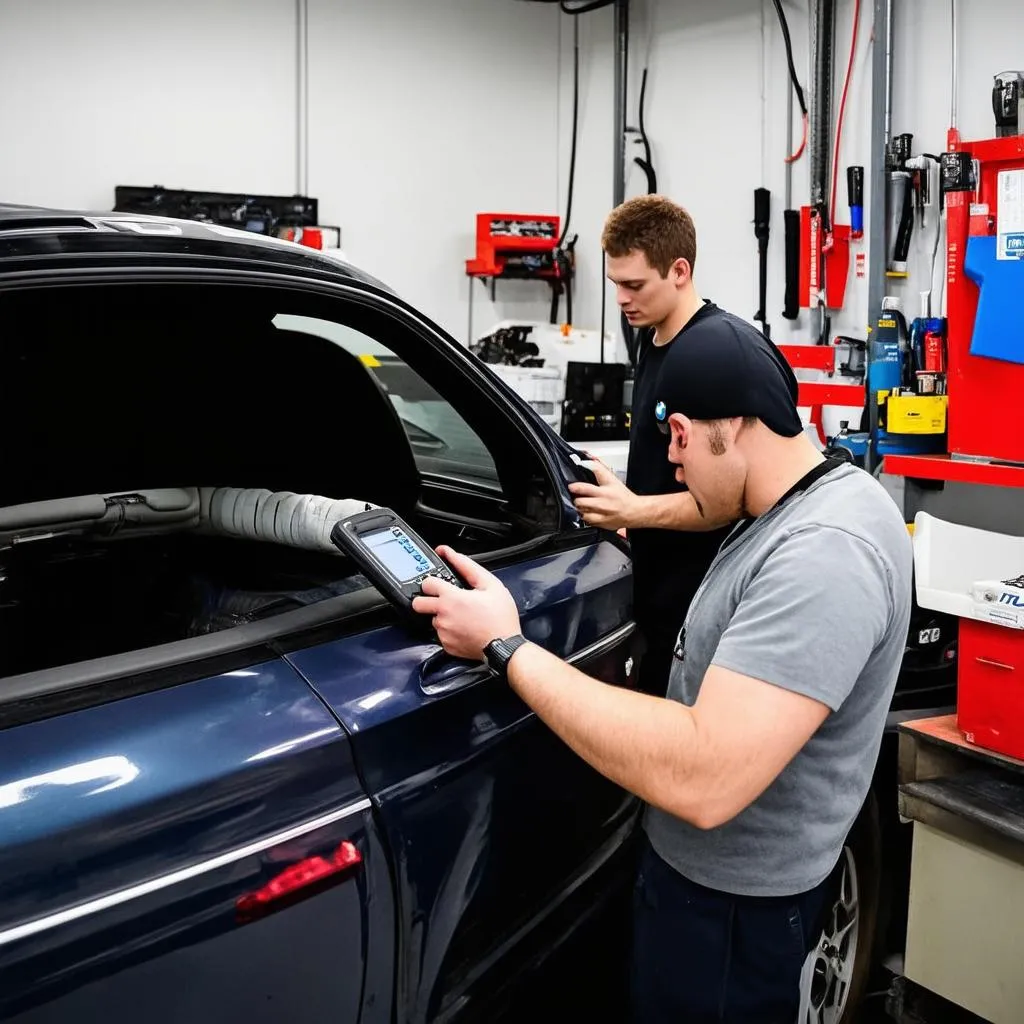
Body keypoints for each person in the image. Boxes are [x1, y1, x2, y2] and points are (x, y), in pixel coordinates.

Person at [411, 322, 913, 1022]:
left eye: (678, 435)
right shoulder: (809, 497)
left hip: (730, 915)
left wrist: (506, 647)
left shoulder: (825, 556)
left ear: (732, 426)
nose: (671, 459)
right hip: (719, 893)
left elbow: (705, 776)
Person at [569, 194, 801, 698]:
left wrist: (635, 509)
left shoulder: (723, 356)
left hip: (707, 607)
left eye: (634, 285)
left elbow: (737, 500)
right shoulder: (652, 340)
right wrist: (627, 502)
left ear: (679, 270)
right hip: (659, 601)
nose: (622, 299)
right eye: (615, 285)